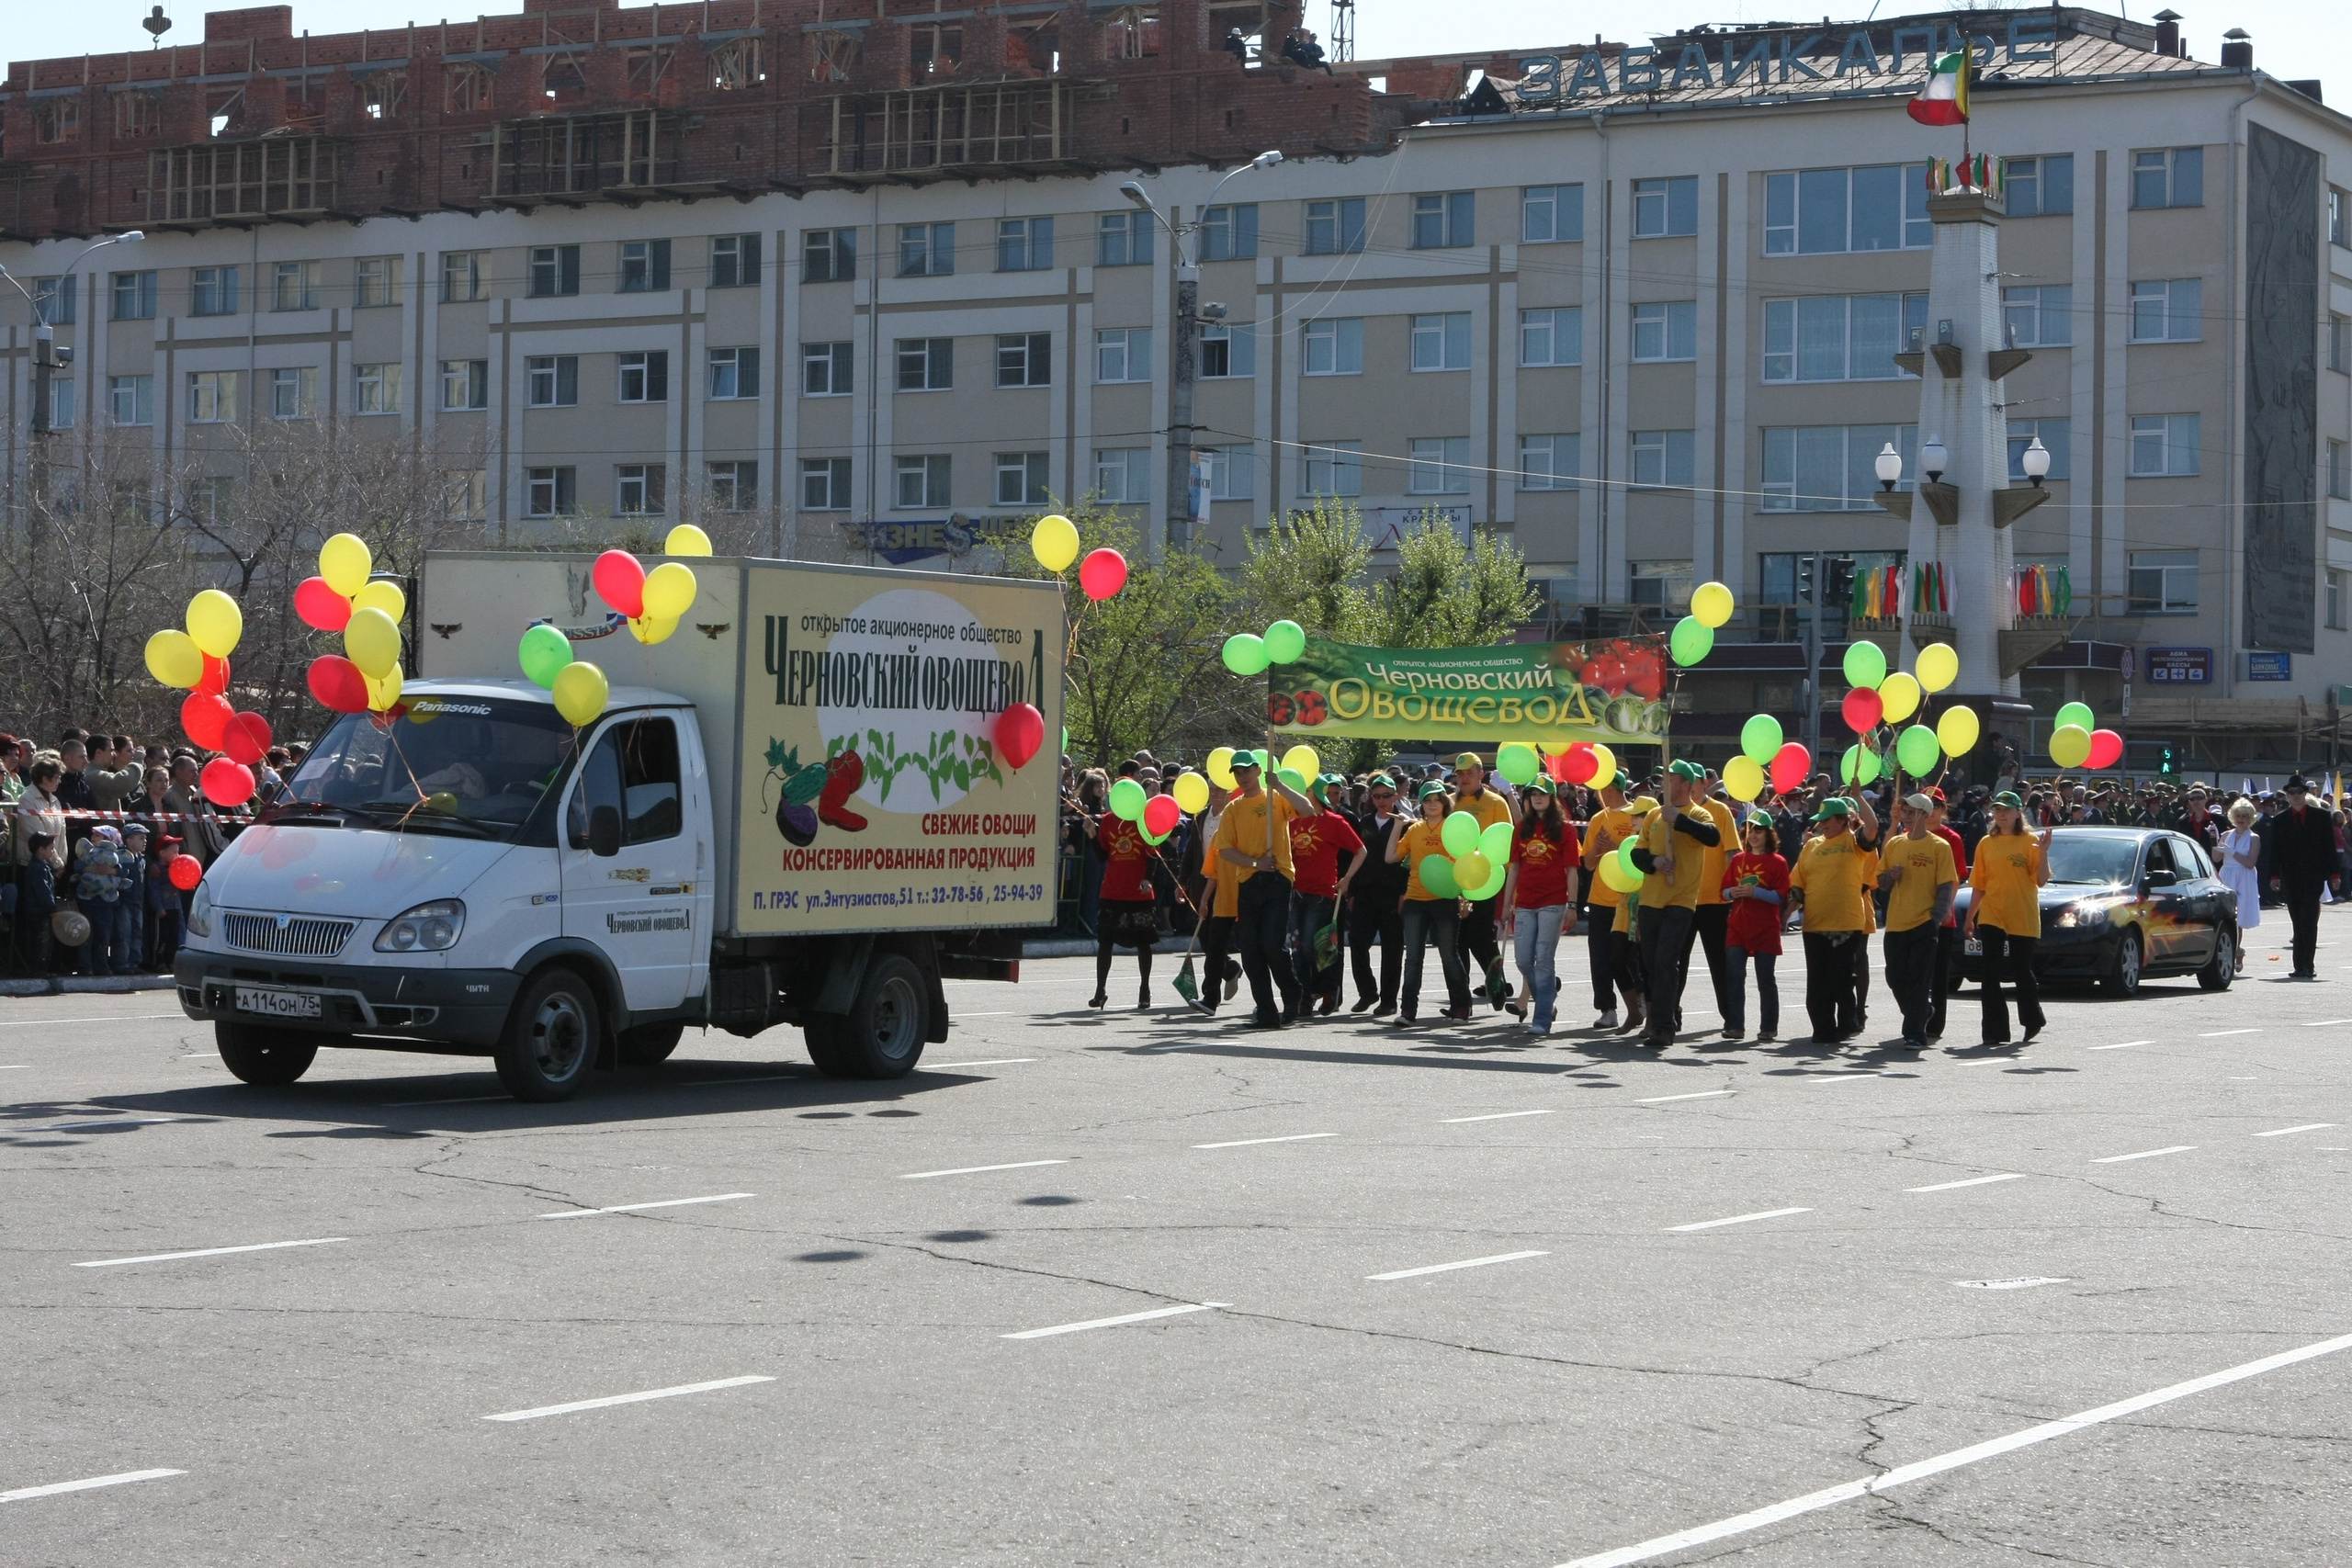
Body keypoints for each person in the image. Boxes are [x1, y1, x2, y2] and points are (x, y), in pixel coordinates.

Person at [1629, 761, 1721, 1050]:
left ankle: (1664, 1027)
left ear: (1685, 784)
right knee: (1650, 964)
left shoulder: (1698, 813)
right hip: (1651, 900)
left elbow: (1712, 837)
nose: (1664, 782)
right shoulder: (1654, 815)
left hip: (1680, 900)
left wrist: (1679, 820)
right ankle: (1663, 1016)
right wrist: (1654, 861)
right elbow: (1636, 853)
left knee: (1666, 961)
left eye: (1670, 778)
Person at [1212, 752, 1298, 1028]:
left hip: (1278, 878)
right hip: (1249, 881)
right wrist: (1254, 863)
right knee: (1250, 951)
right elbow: (1225, 850)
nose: (1243, 777)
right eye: (1238, 773)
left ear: (1258, 770)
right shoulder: (1233, 809)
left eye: (1247, 770)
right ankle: (1267, 1012)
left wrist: (1279, 785)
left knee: (1272, 945)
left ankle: (1292, 994)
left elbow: (1307, 809)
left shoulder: (1276, 798)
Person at [1789, 795, 1877, 1043]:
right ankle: (1822, 1029)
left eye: (1827, 820)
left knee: (1840, 978)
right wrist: (1786, 913)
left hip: (1846, 924)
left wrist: (1859, 797)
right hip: (1815, 924)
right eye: (1820, 821)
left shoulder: (1855, 843)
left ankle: (1847, 1023)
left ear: (1842, 820)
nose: (1822, 825)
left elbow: (1872, 827)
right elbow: (1798, 882)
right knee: (1817, 981)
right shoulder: (1811, 845)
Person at [1966, 792, 2051, 1044]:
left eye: (2007, 810)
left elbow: (2041, 880)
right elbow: (1979, 885)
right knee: (1989, 973)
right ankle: (1995, 1032)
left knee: (2021, 969)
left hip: (2021, 911)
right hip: (1992, 912)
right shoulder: (1986, 843)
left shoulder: (2030, 840)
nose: (2001, 814)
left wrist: (2044, 853)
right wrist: (1970, 918)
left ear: (2018, 813)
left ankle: (2032, 1019)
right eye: (1998, 810)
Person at [1877, 794, 1959, 1050]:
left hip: (1923, 923)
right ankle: (1922, 1010)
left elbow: (1946, 885)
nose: (1906, 816)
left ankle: (1914, 1034)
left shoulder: (1939, 846)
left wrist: (1935, 918)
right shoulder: (1895, 844)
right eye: (1905, 812)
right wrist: (1890, 877)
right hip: (1896, 923)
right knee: (1894, 977)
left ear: (1925, 814)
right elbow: (1881, 882)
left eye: (1912, 812)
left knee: (1918, 980)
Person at [1279, 773, 1365, 1015]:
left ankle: (1329, 988)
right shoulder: (1293, 822)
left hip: (1322, 894)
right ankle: (1305, 998)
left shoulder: (1334, 821)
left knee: (1313, 947)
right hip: (1296, 892)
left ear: (1316, 793)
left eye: (1305, 790)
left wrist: (1347, 879)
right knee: (1297, 948)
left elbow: (1361, 850)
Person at [1500, 778, 1579, 1034]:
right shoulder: (1521, 828)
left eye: (1542, 794)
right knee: (1523, 961)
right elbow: (1514, 868)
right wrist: (1506, 904)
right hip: (1524, 904)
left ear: (1552, 798)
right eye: (1533, 793)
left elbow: (1572, 871)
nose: (1537, 797)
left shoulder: (1566, 830)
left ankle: (1542, 1020)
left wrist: (1572, 905)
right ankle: (1548, 1002)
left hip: (1553, 903)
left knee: (1544, 961)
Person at [1388, 784, 1472, 1022]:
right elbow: (1391, 857)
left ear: (1445, 803)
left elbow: (1465, 863)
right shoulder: (1415, 829)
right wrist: (1397, 827)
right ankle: (1408, 1011)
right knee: (1413, 958)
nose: (1432, 804)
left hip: (1445, 899)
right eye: (1427, 800)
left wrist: (1465, 898)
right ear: (1421, 805)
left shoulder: (1452, 827)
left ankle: (1461, 1007)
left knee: (1449, 955)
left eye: (1437, 799)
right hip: (1415, 899)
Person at [1446, 753, 1518, 1011]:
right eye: (1460, 774)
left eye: (1469, 773)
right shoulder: (1448, 802)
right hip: (1454, 879)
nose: (1464, 778)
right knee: (1457, 940)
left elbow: (1506, 840)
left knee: (1481, 936)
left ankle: (1497, 985)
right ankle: (1461, 1001)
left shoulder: (1496, 802)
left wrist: (1510, 881)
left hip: (1485, 879)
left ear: (1480, 775)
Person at [1579, 771, 1644, 1032]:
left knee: (1629, 957)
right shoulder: (1598, 819)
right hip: (1599, 899)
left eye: (1601, 789)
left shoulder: (1637, 814)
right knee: (1599, 957)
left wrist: (1615, 848)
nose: (1598, 795)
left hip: (1628, 900)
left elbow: (1638, 857)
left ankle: (1639, 1002)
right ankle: (1607, 1009)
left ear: (1610, 788)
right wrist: (1597, 848)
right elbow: (1588, 863)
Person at [1084, 794, 1159, 1011]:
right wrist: (1092, 834)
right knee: (1105, 941)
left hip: (1139, 891)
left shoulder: (1143, 820)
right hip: (1112, 890)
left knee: (1143, 942)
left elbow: (1153, 854)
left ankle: (1145, 989)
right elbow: (1102, 856)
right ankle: (1100, 991)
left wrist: (1148, 879)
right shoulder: (1107, 820)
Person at [1682, 770, 1741, 1029]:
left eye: (1693, 782)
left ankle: (1731, 1018)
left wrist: (1733, 890)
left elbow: (1732, 852)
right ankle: (1670, 1016)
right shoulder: (1675, 811)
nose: (1689, 787)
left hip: (1716, 901)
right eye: (1683, 782)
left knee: (1720, 963)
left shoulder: (1720, 811)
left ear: (1704, 783)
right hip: (1683, 900)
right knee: (1676, 961)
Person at [1721, 817, 1789, 1042]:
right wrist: (1732, 893)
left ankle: (1768, 1027)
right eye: (1750, 831)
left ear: (1769, 834)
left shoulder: (1778, 861)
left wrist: (1755, 892)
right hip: (1738, 926)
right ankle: (1735, 1026)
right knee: (1734, 976)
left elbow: (1781, 896)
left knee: (1765, 978)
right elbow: (1723, 891)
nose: (1753, 836)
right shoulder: (1738, 859)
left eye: (1758, 831)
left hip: (1766, 928)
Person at [1343, 773, 1407, 1014]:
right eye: (1377, 796)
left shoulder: (1405, 823)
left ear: (1395, 796)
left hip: (1392, 894)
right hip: (1365, 893)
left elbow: (1410, 862)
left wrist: (1404, 893)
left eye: (1386, 795)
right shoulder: (1365, 822)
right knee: (1358, 942)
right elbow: (1356, 857)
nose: (1381, 800)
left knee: (1392, 949)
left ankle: (1389, 1001)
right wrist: (1353, 891)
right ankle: (1367, 992)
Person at [2268, 775, 2343, 977]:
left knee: (2308, 919)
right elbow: (2275, 850)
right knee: (2297, 920)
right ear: (2287, 795)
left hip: (2314, 875)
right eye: (2291, 792)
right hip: (2290, 876)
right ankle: (2299, 965)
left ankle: (2308, 965)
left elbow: (2329, 847)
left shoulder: (2321, 816)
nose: (2296, 796)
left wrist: (2335, 874)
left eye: (2299, 792)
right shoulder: (2280, 819)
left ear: (2305, 793)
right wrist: (2274, 876)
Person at [1925, 789, 1970, 1041]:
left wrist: (1944, 910)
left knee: (1939, 973)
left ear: (1943, 810)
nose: (1931, 811)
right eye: (1926, 805)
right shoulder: (1906, 835)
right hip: (1913, 915)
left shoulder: (1952, 838)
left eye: (1936, 806)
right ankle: (1917, 1013)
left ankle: (1934, 1024)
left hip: (1942, 916)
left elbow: (1956, 878)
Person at [2218, 798, 2262, 973]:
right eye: (2238, 815)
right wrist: (2213, 840)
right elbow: (2216, 858)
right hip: (2227, 874)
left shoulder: (2254, 838)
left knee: (2239, 917)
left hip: (2244, 876)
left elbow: (2250, 863)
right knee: (2225, 915)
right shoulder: (2225, 835)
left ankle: (2236, 950)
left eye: (2245, 816)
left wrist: (2232, 852)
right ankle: (2234, 950)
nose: (2241, 819)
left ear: (2250, 818)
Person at [17, 830, 58, 974]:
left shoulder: (42, 866)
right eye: (51, 848)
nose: (53, 851)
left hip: (38, 911)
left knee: (41, 941)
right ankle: (39, 970)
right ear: (41, 850)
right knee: (41, 941)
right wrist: (52, 907)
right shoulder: (38, 868)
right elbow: (43, 890)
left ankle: (40, 969)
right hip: (39, 912)